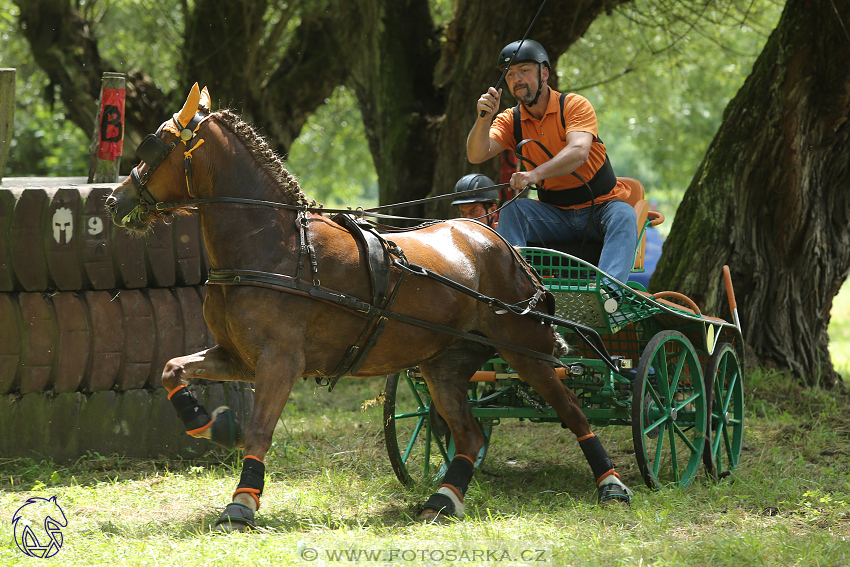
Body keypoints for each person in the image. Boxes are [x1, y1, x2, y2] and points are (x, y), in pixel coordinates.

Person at [467, 39, 638, 284]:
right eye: (510, 74)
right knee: (514, 209)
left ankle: (608, 295)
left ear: (544, 73)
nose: (517, 79)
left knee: (624, 214)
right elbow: (476, 155)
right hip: (554, 215)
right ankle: (512, 289)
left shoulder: (573, 105)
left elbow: (579, 152)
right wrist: (484, 119)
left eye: (525, 70)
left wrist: (534, 175)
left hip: (600, 209)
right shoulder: (509, 119)